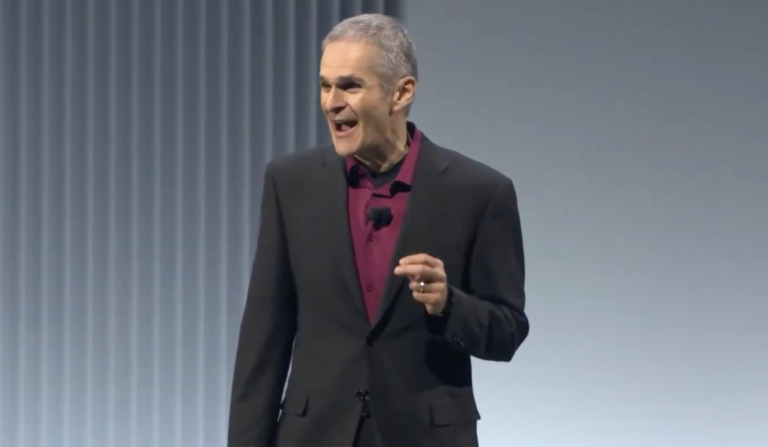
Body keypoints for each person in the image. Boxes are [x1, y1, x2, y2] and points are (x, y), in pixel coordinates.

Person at [227, 13, 529, 447]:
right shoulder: (291, 184)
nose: (331, 102)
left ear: (401, 92)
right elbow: (264, 336)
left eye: (350, 86)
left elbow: (507, 331)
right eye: (325, 85)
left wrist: (448, 305)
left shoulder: (479, 192)